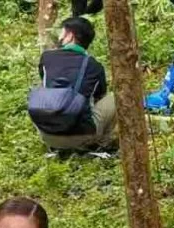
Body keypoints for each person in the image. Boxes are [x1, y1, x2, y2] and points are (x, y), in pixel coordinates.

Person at [32, 17, 116, 153]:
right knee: (115, 98)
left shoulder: (47, 57)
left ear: (70, 35)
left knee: (41, 91)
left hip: (47, 134)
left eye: (62, 32)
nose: (59, 36)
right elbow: (99, 97)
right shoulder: (94, 66)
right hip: (82, 135)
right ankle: (101, 143)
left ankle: (55, 144)